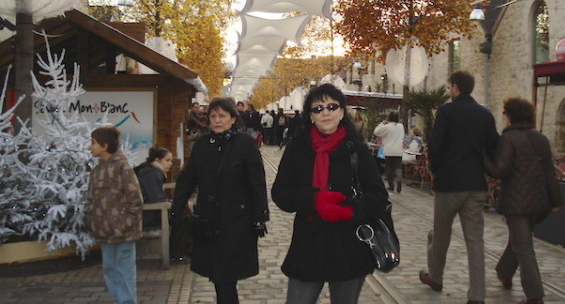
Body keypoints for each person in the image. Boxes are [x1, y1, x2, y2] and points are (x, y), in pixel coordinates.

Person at [272, 83, 388, 304]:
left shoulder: (356, 149)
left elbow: (378, 196)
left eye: (332, 106)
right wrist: (314, 199)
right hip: (308, 243)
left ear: (342, 112)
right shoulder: (298, 149)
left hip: (349, 244)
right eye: (318, 108)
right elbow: (281, 194)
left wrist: (350, 209)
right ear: (311, 116)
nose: (325, 112)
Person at [170, 97, 269, 303]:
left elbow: (257, 182)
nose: (217, 120)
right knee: (218, 274)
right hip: (209, 219)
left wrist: (260, 216)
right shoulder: (203, 144)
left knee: (226, 275)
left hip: (236, 220)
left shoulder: (245, 144)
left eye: (222, 116)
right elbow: (188, 178)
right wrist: (176, 208)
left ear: (233, 118)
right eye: (213, 116)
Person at [419, 70, 499, 304]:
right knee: (475, 241)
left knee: (440, 235)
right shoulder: (485, 115)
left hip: (449, 184)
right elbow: (493, 146)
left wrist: (435, 170)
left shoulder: (446, 112)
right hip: (475, 184)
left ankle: (436, 277)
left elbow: (436, 146)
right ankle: (477, 295)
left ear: (455, 87)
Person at [483, 98, 563, 304]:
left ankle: (535, 295)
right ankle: (504, 271)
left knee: (524, 246)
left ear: (510, 115)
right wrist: (556, 200)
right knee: (521, 239)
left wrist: (483, 158)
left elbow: (500, 170)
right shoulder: (541, 138)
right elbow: (549, 173)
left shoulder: (508, 139)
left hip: (517, 202)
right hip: (539, 201)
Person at [87, 126, 143, 304]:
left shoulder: (122, 168)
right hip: (104, 233)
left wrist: (123, 223)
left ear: (104, 145)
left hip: (123, 233)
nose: (90, 147)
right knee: (110, 269)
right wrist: (93, 222)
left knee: (124, 271)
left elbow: (135, 199)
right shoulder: (96, 171)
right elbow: (91, 199)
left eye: (93, 143)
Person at [134, 146, 173, 228]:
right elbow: (155, 200)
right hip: (149, 218)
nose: (170, 163)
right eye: (167, 160)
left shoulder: (149, 172)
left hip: (145, 215)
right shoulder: (152, 174)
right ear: (157, 160)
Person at [373, 111, 405, 192]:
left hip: (389, 150)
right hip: (399, 150)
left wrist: (381, 124)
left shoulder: (387, 127)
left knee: (390, 169)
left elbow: (376, 132)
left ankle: (391, 185)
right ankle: (399, 180)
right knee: (398, 167)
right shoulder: (401, 126)